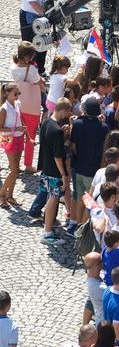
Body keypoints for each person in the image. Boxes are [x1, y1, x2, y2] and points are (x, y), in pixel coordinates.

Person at [36, 98, 72, 246]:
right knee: (53, 198)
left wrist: (62, 135)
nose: (68, 115)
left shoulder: (46, 122)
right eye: (68, 112)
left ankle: (48, 226)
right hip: (54, 170)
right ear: (63, 110)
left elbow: (49, 145)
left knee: (51, 197)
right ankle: (47, 231)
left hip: (46, 166)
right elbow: (58, 156)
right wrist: (64, 175)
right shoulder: (56, 130)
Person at [69, 97, 109, 225]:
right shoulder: (103, 127)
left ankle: (74, 223)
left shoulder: (77, 124)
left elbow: (73, 145)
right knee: (89, 200)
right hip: (93, 170)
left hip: (79, 166)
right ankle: (83, 225)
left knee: (78, 197)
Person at [11, 42, 44, 173]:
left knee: (17, 136)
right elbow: (38, 82)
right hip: (31, 107)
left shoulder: (13, 67)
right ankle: (28, 165)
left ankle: (14, 164)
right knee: (30, 137)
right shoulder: (32, 70)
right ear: (27, 56)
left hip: (18, 105)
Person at [20, 0, 52, 76]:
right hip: (32, 17)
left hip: (41, 16)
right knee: (35, 46)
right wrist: (45, 15)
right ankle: (33, 72)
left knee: (44, 44)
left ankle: (41, 69)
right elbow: (33, 2)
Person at [0, 83, 26, 208]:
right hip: (9, 138)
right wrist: (16, 128)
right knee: (14, 170)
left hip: (19, 136)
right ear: (7, 94)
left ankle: (9, 196)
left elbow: (20, 118)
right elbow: (1, 128)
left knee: (16, 171)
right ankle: (2, 194)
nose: (17, 96)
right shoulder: (4, 108)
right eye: (15, 93)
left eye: (18, 93)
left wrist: (24, 131)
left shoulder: (17, 104)